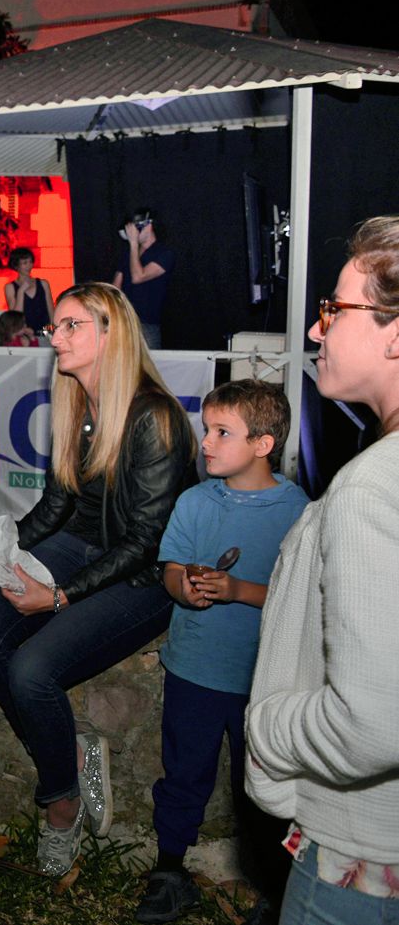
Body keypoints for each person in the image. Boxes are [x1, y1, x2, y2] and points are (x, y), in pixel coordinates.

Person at [0, 282, 197, 877]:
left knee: (32, 671)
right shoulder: (75, 400)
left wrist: (58, 597)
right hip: (78, 550)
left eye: (69, 326)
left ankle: (60, 805)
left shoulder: (155, 417)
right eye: (54, 327)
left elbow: (145, 543)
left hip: (140, 576)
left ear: (110, 333)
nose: (53, 337)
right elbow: (56, 508)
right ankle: (66, 750)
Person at [246, 215, 399, 925]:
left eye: (336, 309)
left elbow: (370, 722)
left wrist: (267, 726)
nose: (316, 330)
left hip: (357, 858)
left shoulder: (370, 487)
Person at [135, 379, 308, 924]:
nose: (205, 442)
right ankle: (169, 872)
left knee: (259, 787)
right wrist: (183, 587)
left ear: (263, 443)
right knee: (183, 772)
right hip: (194, 669)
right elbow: (170, 567)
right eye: (206, 429)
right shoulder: (193, 500)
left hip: (265, 678)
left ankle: (275, 893)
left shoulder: (297, 509)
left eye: (222, 432)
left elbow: (299, 594)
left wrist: (237, 591)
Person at [111, 208, 174, 350]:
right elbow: (115, 288)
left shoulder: (163, 253)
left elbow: (139, 277)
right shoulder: (128, 254)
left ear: (148, 226)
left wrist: (133, 244)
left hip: (147, 325)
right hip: (124, 322)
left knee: (147, 369)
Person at [5, 246, 53, 332]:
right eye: (25, 263)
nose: (29, 265)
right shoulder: (10, 287)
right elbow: (15, 316)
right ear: (16, 265)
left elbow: (51, 309)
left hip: (44, 331)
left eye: (31, 262)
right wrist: (21, 291)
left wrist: (53, 329)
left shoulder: (43, 283)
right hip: (24, 333)